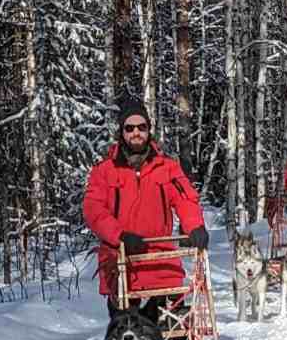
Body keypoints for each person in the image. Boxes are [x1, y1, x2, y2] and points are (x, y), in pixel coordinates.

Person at [82, 93, 208, 320]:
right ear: (122, 132)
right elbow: (94, 210)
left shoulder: (167, 167)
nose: (136, 132)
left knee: (171, 326)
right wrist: (119, 235)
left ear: (149, 130)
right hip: (122, 260)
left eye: (141, 126)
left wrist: (195, 226)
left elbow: (185, 199)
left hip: (160, 259)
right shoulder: (105, 171)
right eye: (130, 128)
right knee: (129, 330)